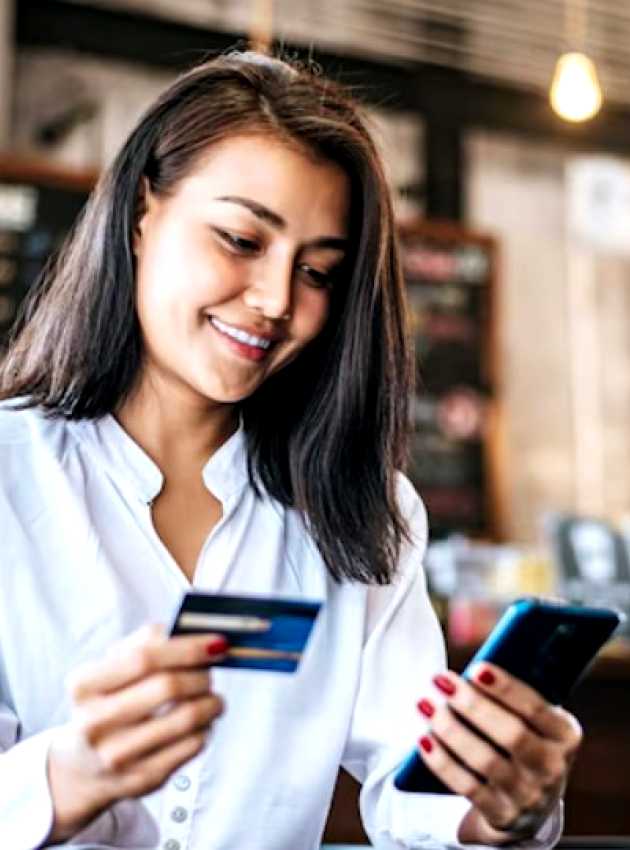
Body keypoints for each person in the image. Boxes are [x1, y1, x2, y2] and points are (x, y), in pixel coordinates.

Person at [0, 51, 581, 850]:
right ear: (142, 213)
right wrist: (66, 776)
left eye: (317, 271)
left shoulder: (362, 512)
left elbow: (414, 789)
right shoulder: (11, 475)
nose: (278, 302)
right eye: (241, 239)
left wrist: (498, 804)